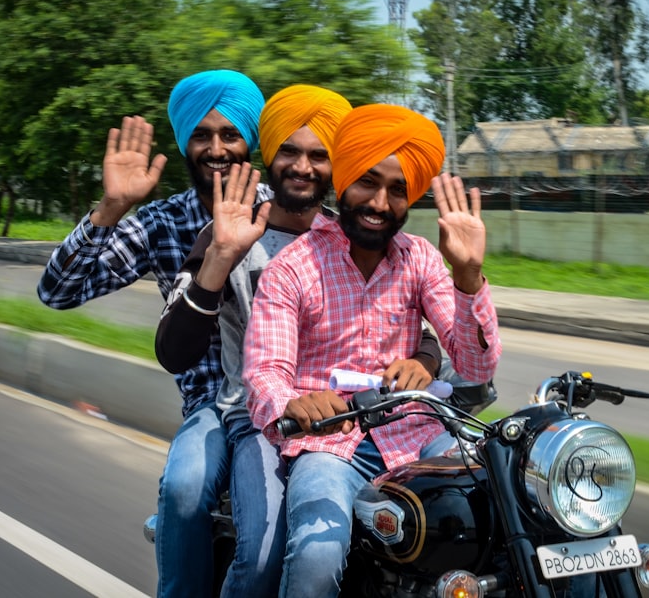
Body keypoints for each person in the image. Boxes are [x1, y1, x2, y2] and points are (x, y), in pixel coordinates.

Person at [154, 85, 443, 596]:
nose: (303, 167)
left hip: (348, 419)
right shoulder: (228, 230)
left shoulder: (352, 233)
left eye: (320, 155)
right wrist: (221, 256)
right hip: (247, 413)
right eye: (289, 150)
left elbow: (417, 318)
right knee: (246, 538)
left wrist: (424, 358)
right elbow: (174, 352)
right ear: (269, 154)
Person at [244, 103, 503, 598]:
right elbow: (265, 371)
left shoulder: (421, 259)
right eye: (367, 182)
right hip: (329, 446)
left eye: (398, 190)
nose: (380, 202)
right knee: (318, 555)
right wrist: (292, 405)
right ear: (341, 181)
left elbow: (475, 366)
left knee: (500, 515)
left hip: (420, 435)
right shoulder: (293, 268)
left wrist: (468, 275)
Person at [36, 69, 266, 598]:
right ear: (185, 144)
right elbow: (58, 292)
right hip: (211, 403)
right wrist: (112, 208)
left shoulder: (285, 211)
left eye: (230, 135)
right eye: (202, 136)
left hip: (296, 397)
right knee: (185, 489)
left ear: (250, 142)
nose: (216, 149)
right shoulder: (162, 222)